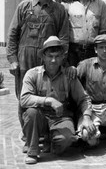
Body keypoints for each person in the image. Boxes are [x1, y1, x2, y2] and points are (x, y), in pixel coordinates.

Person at [20, 36, 95, 165]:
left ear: (62, 58)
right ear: (43, 56)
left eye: (57, 56)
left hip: (61, 117)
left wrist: (87, 117)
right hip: (40, 116)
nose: (53, 60)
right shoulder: (32, 74)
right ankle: (33, 150)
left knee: (67, 139)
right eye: (50, 56)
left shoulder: (69, 75)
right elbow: (24, 99)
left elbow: (84, 99)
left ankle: (50, 140)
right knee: (31, 112)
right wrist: (48, 100)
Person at [7, 0, 70, 106]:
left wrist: (60, 60)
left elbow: (64, 39)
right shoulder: (23, 7)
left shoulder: (59, 10)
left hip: (49, 61)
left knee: (48, 95)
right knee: (24, 97)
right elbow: (13, 34)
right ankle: (26, 126)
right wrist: (12, 60)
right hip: (25, 60)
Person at [63, 0, 106, 66]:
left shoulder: (100, 5)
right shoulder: (67, 4)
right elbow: (63, 33)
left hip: (93, 51)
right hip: (73, 52)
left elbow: (103, 31)